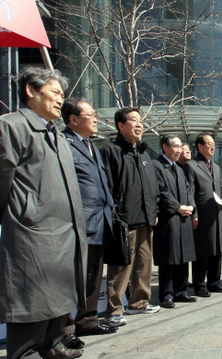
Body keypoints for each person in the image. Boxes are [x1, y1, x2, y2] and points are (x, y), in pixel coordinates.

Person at [0, 67, 87, 359]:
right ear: (31, 91)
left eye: (63, 95)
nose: (61, 99)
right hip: (32, 235)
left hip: (63, 233)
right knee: (32, 306)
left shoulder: (58, 135)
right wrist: (24, 213)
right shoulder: (11, 126)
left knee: (57, 305)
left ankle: (53, 345)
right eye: (55, 92)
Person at [61, 97, 117, 351]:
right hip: (78, 223)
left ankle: (88, 319)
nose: (96, 119)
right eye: (90, 114)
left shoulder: (92, 146)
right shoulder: (64, 143)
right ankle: (65, 328)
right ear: (73, 119)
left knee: (95, 273)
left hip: (100, 220)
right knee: (73, 278)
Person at [101, 107, 160, 327]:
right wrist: (116, 215)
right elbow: (108, 186)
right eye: (133, 120)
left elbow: (152, 187)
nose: (139, 125)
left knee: (144, 263)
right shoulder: (111, 151)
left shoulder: (144, 154)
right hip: (125, 220)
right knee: (121, 266)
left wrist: (153, 212)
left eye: (140, 121)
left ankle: (139, 303)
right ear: (120, 125)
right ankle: (114, 309)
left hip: (146, 218)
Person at [153, 135, 197, 308]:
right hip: (169, 218)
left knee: (183, 256)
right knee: (169, 257)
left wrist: (191, 207)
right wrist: (178, 207)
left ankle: (181, 291)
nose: (179, 150)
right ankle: (166, 295)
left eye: (181, 147)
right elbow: (161, 191)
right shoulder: (157, 166)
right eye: (176, 146)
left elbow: (189, 190)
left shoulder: (179, 168)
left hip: (183, 218)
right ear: (165, 147)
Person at [184, 133, 222, 297]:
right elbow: (190, 191)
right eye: (208, 143)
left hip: (217, 213)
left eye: (213, 143)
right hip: (202, 215)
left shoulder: (216, 167)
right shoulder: (191, 165)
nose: (212, 146)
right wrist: (193, 212)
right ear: (199, 146)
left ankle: (214, 282)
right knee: (202, 251)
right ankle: (199, 284)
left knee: (217, 249)